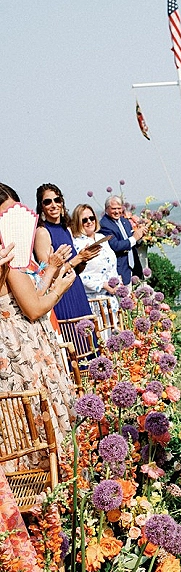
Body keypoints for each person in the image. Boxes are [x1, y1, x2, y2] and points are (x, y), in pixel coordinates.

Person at [0, 183, 76, 447]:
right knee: (32, 416)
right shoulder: (6, 258)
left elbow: (28, 297)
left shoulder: (13, 257)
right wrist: (59, 290)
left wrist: (52, 272)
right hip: (19, 350)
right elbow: (32, 309)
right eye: (5, 215)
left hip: (32, 342)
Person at [33, 183, 100, 322]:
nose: (53, 205)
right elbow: (47, 274)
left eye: (57, 200)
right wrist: (78, 259)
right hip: (60, 295)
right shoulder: (42, 232)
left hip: (77, 289)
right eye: (47, 202)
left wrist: (84, 258)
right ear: (41, 207)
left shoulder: (66, 229)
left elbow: (75, 269)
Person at [70, 204, 119, 314]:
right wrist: (103, 285)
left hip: (112, 300)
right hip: (94, 302)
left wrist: (116, 282)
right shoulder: (76, 243)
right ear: (78, 222)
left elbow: (111, 264)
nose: (89, 222)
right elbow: (78, 275)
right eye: (84, 220)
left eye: (91, 218)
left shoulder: (102, 238)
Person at [99, 196, 146, 284]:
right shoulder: (104, 225)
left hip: (134, 268)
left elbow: (132, 242)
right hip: (120, 270)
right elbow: (115, 246)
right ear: (106, 209)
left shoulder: (125, 221)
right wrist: (134, 238)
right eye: (113, 209)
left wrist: (140, 237)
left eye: (119, 208)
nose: (117, 211)